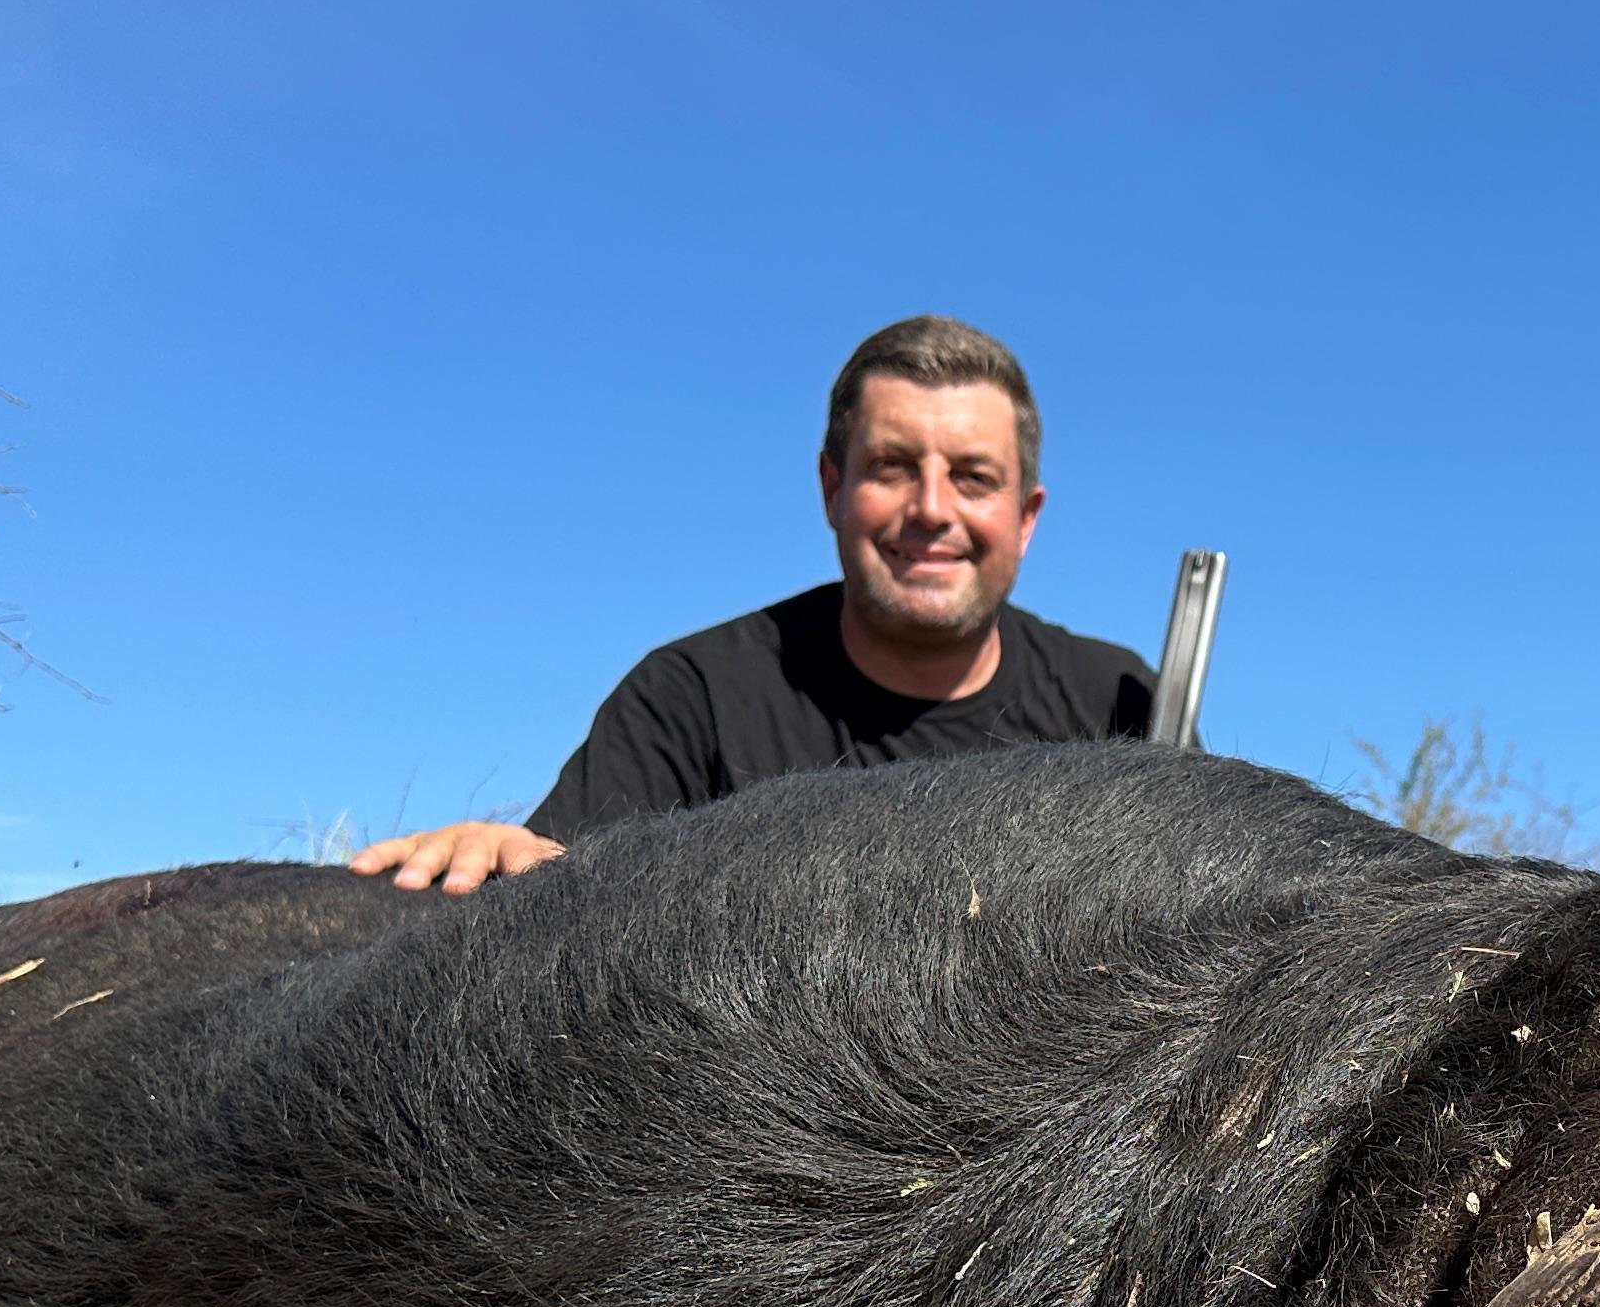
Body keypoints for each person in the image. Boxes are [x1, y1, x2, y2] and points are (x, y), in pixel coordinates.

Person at [353, 316, 1155, 895]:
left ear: (1026, 515)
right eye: (892, 467)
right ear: (832, 489)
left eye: (973, 477)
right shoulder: (691, 696)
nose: (932, 510)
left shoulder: (1120, 703)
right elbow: (555, 888)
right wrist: (498, 857)